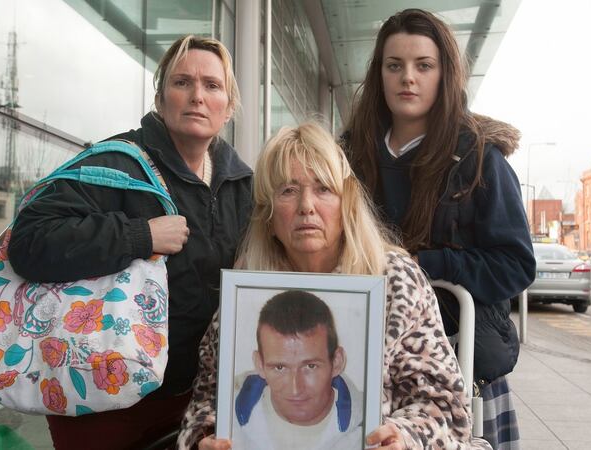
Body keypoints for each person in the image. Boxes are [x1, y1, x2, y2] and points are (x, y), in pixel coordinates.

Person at [177, 122, 489, 449]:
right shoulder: (247, 294)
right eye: (288, 190)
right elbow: (205, 404)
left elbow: (444, 407)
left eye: (323, 189)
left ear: (346, 205)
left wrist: (404, 438)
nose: (306, 206)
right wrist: (203, 440)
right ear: (267, 215)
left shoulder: (394, 281)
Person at [7, 35, 253, 449]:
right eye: (182, 83)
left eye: (212, 86)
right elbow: (29, 241)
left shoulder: (241, 183)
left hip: (196, 399)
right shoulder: (116, 162)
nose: (197, 96)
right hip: (103, 398)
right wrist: (141, 235)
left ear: (228, 108)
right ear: (159, 98)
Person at [341, 9, 536, 449]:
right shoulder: (348, 154)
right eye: (395, 65)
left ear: (444, 74)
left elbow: (516, 264)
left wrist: (427, 265)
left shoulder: (482, 159)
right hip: (353, 354)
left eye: (423, 65)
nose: (407, 78)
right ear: (380, 74)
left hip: (456, 360)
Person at [233, 290, 362, 450]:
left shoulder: (371, 425)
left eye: (310, 366)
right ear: (259, 364)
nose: (295, 389)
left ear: (336, 362)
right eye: (280, 368)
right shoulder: (224, 412)